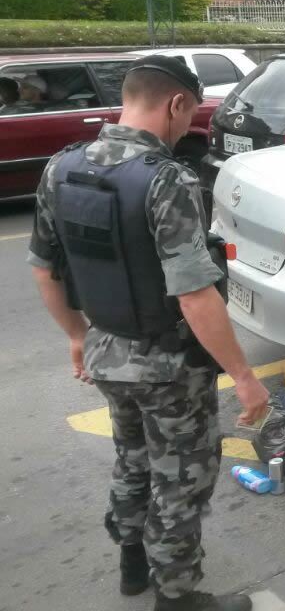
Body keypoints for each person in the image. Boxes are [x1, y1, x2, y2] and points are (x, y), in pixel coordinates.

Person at [28, 55, 270, 611]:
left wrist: (75, 336)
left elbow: (44, 269)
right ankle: (178, 597)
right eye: (189, 117)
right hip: (168, 369)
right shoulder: (166, 180)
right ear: (176, 104)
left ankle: (133, 564)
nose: (188, 129)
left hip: (107, 351)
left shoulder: (60, 168)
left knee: (132, 458)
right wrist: (244, 376)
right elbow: (193, 294)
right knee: (181, 479)